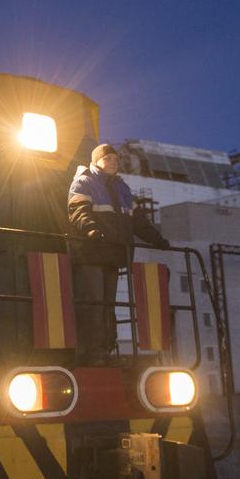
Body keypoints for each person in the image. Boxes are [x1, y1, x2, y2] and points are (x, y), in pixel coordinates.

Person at [67, 143, 169, 363]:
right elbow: (78, 211)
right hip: (91, 254)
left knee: (107, 306)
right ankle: (90, 353)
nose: (113, 162)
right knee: (93, 303)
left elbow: (138, 221)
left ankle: (104, 350)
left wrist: (157, 239)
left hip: (113, 256)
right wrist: (90, 229)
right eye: (108, 159)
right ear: (96, 162)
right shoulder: (84, 182)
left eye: (115, 159)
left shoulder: (122, 189)